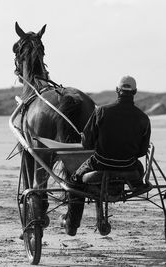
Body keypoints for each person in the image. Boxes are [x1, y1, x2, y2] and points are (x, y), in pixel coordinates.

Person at [60, 75, 151, 236]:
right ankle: (134, 185)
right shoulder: (143, 118)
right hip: (129, 167)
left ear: (117, 90)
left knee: (74, 181)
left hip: (100, 165)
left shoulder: (101, 111)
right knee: (138, 167)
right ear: (135, 92)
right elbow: (142, 152)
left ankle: (72, 224)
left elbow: (87, 144)